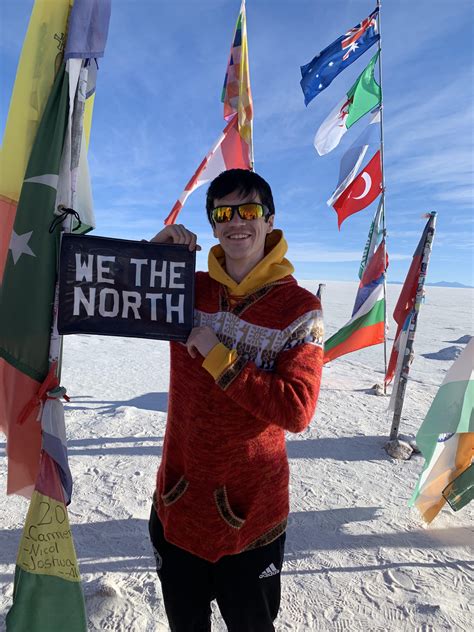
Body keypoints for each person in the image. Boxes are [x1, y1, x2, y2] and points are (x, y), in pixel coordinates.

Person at [148, 169, 324, 631]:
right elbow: (125, 301)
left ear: (269, 220)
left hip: (251, 518)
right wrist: (154, 254)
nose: (236, 222)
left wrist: (221, 359)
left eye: (248, 210)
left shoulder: (300, 309)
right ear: (212, 224)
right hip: (178, 502)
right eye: (223, 213)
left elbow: (296, 409)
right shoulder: (191, 286)